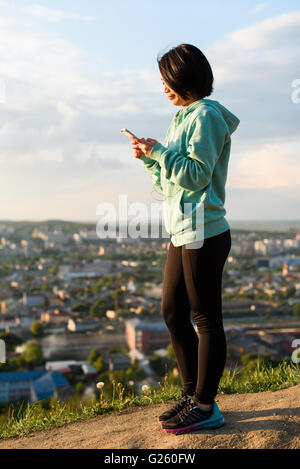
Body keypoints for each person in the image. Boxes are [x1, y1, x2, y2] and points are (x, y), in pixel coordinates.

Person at [131, 44, 240, 435]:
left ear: (184, 77)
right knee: (172, 311)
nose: (163, 88)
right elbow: (171, 181)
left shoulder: (207, 117)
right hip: (182, 228)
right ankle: (193, 394)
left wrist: (160, 152)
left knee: (205, 318)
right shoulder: (181, 119)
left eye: (166, 80)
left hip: (204, 230)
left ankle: (206, 406)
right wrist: (150, 159)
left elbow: (196, 176)